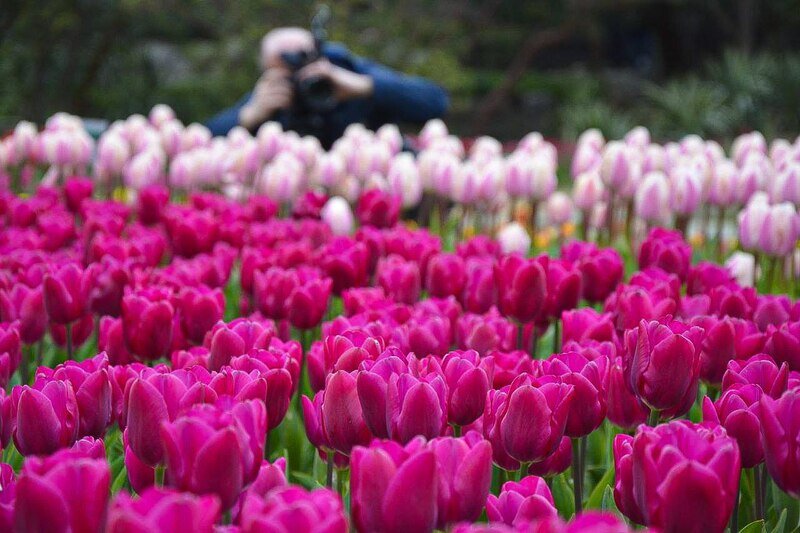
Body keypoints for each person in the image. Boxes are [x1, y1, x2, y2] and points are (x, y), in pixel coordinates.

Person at [206, 27, 449, 147]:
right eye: (287, 74)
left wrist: (365, 87)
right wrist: (247, 116)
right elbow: (204, 137)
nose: (299, 81)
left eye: (306, 68)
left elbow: (436, 102)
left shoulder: (349, 73)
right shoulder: (272, 95)